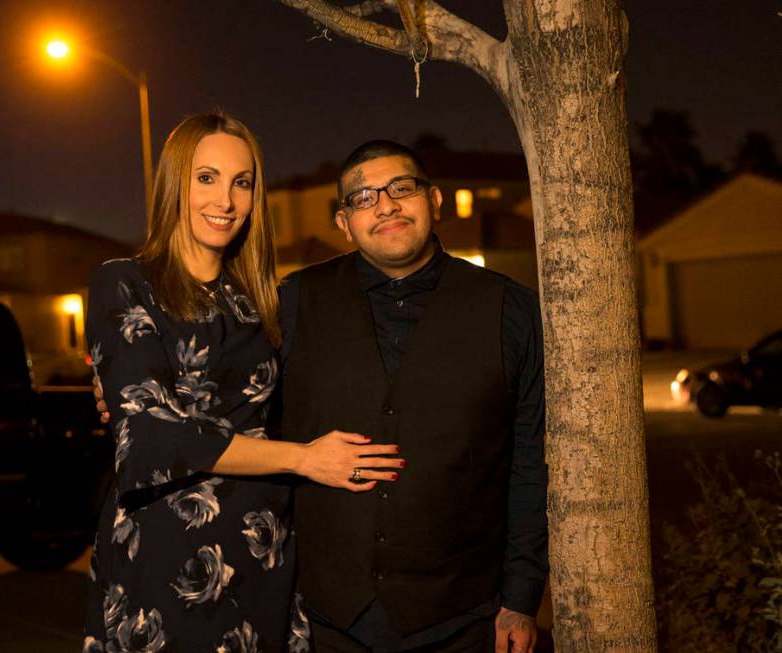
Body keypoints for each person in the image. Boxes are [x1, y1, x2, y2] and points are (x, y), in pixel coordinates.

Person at [82, 115, 404, 653]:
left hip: (263, 547)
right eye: (205, 178)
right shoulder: (125, 282)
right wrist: (304, 458)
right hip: (170, 552)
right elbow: (155, 438)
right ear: (174, 185)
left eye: (242, 182)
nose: (225, 200)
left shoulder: (257, 301)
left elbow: (292, 401)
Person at [275, 140, 548, 652]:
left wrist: (520, 598)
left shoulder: (510, 309)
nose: (385, 205)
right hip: (325, 616)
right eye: (364, 198)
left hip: (463, 616)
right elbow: (231, 400)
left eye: (402, 188)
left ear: (435, 201)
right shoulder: (293, 301)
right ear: (343, 223)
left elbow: (530, 461)